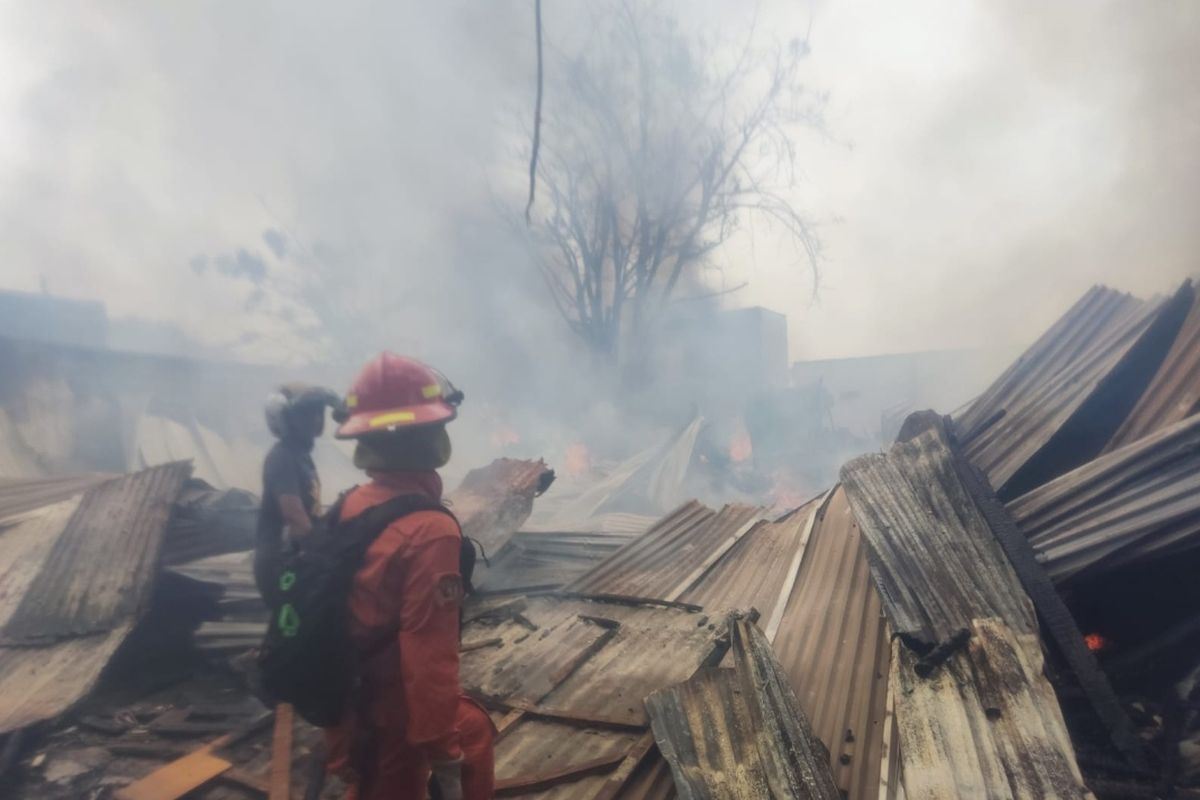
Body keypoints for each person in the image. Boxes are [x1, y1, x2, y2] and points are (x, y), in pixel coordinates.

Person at [325, 353, 495, 800]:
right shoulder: (430, 531)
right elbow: (427, 659)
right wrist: (444, 753)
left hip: (343, 697)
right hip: (388, 713)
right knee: (465, 739)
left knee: (471, 726)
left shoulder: (352, 504)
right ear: (430, 437)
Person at [254, 383, 338, 605]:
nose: (316, 419)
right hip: (281, 563)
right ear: (284, 419)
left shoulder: (301, 456)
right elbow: (296, 519)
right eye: (306, 413)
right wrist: (326, 557)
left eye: (319, 412)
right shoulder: (283, 457)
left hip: (297, 557)